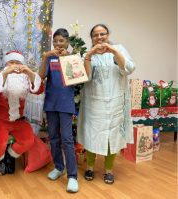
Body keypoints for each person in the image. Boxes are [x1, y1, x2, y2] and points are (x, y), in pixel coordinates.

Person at [77, 24, 135, 184]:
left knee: (112, 136)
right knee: (92, 134)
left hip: (115, 102)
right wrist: (88, 55)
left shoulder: (119, 49)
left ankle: (109, 170)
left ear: (108, 35)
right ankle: (89, 167)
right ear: (91, 38)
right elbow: (84, 77)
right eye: (95, 35)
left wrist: (114, 51)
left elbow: (129, 68)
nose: (99, 37)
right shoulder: (87, 54)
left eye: (102, 34)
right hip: (93, 103)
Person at [0, 50, 44, 175]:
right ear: (6, 63)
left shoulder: (24, 79)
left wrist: (29, 72)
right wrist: (5, 73)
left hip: (18, 120)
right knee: (0, 143)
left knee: (28, 140)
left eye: (17, 63)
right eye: (11, 62)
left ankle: (9, 155)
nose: (14, 65)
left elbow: (39, 90)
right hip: (0, 120)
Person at [38, 28, 79, 193]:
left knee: (67, 140)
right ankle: (58, 167)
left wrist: (68, 60)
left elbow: (78, 79)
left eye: (61, 41)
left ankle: (72, 177)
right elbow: (41, 76)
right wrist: (45, 57)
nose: (58, 44)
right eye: (55, 41)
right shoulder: (50, 58)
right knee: (53, 137)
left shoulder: (73, 58)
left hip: (66, 104)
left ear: (67, 42)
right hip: (51, 103)